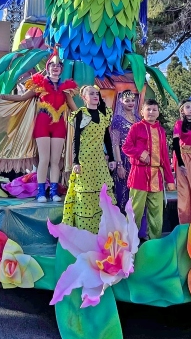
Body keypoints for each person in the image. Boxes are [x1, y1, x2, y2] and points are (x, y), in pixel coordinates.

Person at [0, 53, 77, 202]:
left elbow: (74, 108)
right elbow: (22, 98)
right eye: (52, 65)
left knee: (55, 161)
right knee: (44, 159)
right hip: (42, 124)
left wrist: (88, 115)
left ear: (61, 69)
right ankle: (41, 192)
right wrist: (4, 97)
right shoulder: (39, 84)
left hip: (59, 126)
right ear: (47, 68)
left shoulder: (66, 88)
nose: (55, 67)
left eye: (58, 66)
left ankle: (54, 192)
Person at [63, 85, 117, 232]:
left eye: (97, 94)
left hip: (99, 160)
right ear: (84, 97)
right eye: (91, 94)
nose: (95, 96)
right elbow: (76, 139)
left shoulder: (104, 115)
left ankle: (102, 229)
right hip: (84, 161)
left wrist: (112, 158)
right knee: (85, 195)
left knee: (103, 192)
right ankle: (85, 231)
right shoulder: (81, 114)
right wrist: (75, 161)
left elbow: (107, 139)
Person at [123, 99, 175, 241]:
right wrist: (140, 153)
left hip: (156, 176)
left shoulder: (161, 131)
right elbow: (126, 147)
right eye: (148, 109)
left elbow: (164, 156)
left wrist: (170, 180)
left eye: (154, 110)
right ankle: (129, 244)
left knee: (156, 213)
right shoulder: (136, 128)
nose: (151, 112)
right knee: (135, 212)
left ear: (158, 112)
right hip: (139, 175)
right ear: (142, 112)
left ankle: (154, 244)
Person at [109, 89, 140, 214]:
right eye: (127, 100)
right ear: (121, 102)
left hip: (138, 160)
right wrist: (119, 165)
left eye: (132, 100)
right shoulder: (117, 119)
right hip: (123, 159)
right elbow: (115, 144)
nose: (131, 103)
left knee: (137, 193)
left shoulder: (138, 118)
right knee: (123, 193)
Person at [173, 100, 191, 225]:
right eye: (187, 107)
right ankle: (185, 223)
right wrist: (180, 162)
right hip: (184, 158)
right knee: (184, 191)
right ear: (182, 110)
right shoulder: (179, 124)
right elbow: (175, 144)